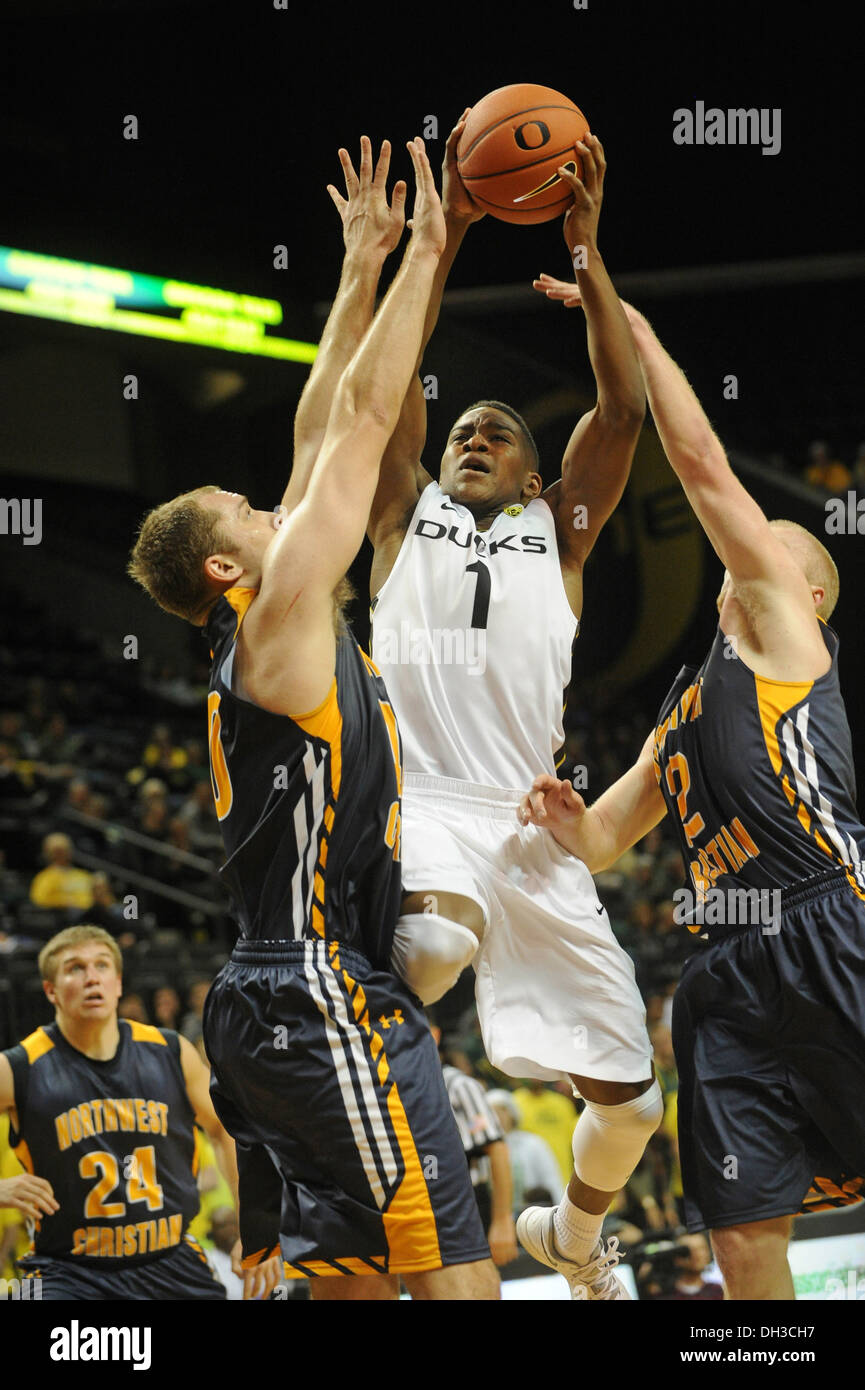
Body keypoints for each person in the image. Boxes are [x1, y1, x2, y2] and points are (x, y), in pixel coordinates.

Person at [127, 136, 498, 1301]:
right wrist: (429, 254)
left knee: (346, 1283)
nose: (268, 497)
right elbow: (358, 425)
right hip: (317, 987)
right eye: (244, 506)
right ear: (231, 566)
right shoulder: (282, 611)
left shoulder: (269, 613)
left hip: (270, 996)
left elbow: (319, 423)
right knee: (455, 1276)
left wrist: (362, 264)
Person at [356, 114, 662, 1300]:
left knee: (632, 1108)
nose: (475, 436)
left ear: (537, 480)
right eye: (463, 433)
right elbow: (387, 394)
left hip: (531, 823)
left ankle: (570, 1241)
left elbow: (622, 411)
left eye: (500, 434)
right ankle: (352, 1127)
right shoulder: (399, 517)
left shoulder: (560, 536)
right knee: (428, 945)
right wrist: (439, 244)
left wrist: (586, 252)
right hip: (423, 795)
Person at [521, 278, 865, 1300]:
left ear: (801, 591)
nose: (744, 551)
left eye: (768, 549)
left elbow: (703, 468)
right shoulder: (683, 704)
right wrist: (563, 818)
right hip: (719, 970)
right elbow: (601, 843)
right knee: (741, 1224)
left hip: (823, 916)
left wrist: (635, 331)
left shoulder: (786, 634)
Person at [0, 924, 263, 1299]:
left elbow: (230, 1130)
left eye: (102, 966)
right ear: (50, 991)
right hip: (68, 1272)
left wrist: (253, 1227)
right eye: (75, 968)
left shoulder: (171, 1052)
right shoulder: (19, 1067)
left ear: (119, 983)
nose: (92, 978)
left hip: (170, 1261)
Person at [429, 1020, 517, 1265]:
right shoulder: (400, 1089)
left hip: (468, 1206)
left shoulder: (458, 1086)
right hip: (426, 1209)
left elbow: (497, 1149)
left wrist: (502, 1221)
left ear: (433, 1034)